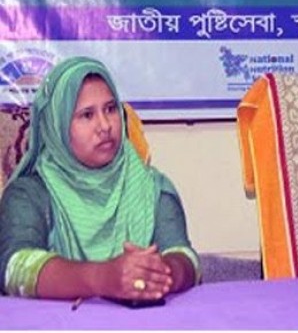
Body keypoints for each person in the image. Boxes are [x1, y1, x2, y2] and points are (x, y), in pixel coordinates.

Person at [0, 57, 199, 301]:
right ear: (57, 126)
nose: (105, 126)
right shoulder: (28, 194)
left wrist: (160, 273)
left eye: (111, 109)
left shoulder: (152, 188)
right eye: (87, 115)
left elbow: (185, 257)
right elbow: (13, 268)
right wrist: (102, 278)